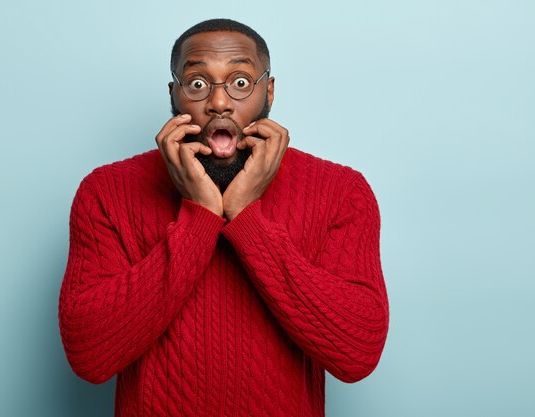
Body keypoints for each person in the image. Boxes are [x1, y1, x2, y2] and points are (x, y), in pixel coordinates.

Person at [59, 18, 389, 417]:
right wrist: (200, 218)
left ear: (268, 91)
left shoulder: (341, 192)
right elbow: (89, 357)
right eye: (198, 83)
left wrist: (246, 219)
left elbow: (357, 354)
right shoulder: (107, 192)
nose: (218, 103)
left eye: (240, 82)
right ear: (174, 95)